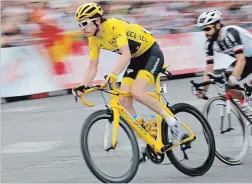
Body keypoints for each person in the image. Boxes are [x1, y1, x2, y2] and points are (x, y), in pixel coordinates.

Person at [72, 3, 185, 160]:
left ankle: (173, 122)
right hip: (136, 59)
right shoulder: (93, 39)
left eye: (84, 23)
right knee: (124, 100)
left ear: (97, 21)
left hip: (151, 53)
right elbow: (92, 67)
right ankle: (143, 138)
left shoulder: (113, 26)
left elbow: (125, 54)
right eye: (79, 24)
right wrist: (81, 85)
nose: (82, 28)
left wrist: (114, 73)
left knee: (137, 92)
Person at [195, 9, 252, 119]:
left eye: (208, 28)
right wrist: (204, 89)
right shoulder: (209, 44)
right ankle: (248, 106)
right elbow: (209, 68)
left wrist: (234, 78)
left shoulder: (230, 33)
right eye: (203, 29)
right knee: (227, 83)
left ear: (217, 25)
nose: (205, 33)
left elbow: (241, 59)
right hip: (244, 58)